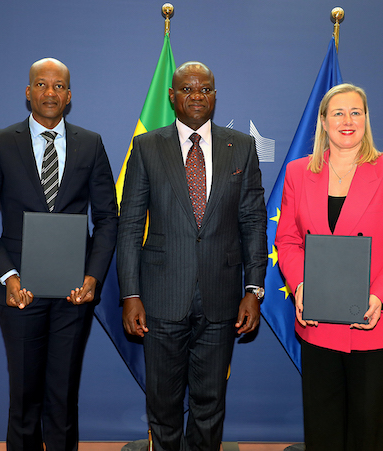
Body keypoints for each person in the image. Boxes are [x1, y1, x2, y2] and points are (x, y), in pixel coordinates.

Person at [0, 57, 118, 451]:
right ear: (28, 91)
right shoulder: (0, 142)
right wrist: (8, 276)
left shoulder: (91, 143)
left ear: (69, 95)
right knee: (24, 399)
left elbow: (107, 219)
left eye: (59, 86)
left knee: (63, 399)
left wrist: (92, 277)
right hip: (19, 293)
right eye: (42, 84)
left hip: (74, 294)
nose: (51, 92)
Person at [117, 61, 267, 451]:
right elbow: (130, 225)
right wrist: (130, 294)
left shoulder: (242, 146)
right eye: (187, 89)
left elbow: (253, 222)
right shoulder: (147, 147)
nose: (196, 96)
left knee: (210, 403)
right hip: (161, 298)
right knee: (163, 403)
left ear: (215, 95)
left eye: (205, 89)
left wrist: (254, 289)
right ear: (172, 96)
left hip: (222, 298)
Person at [275, 83, 383, 450]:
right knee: (322, 431)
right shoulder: (297, 172)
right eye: (338, 113)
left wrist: (379, 297)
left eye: (356, 112)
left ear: (366, 119)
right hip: (318, 325)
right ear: (323, 121)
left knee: (366, 432)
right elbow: (288, 241)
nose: (347, 120)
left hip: (375, 324)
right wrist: (301, 286)